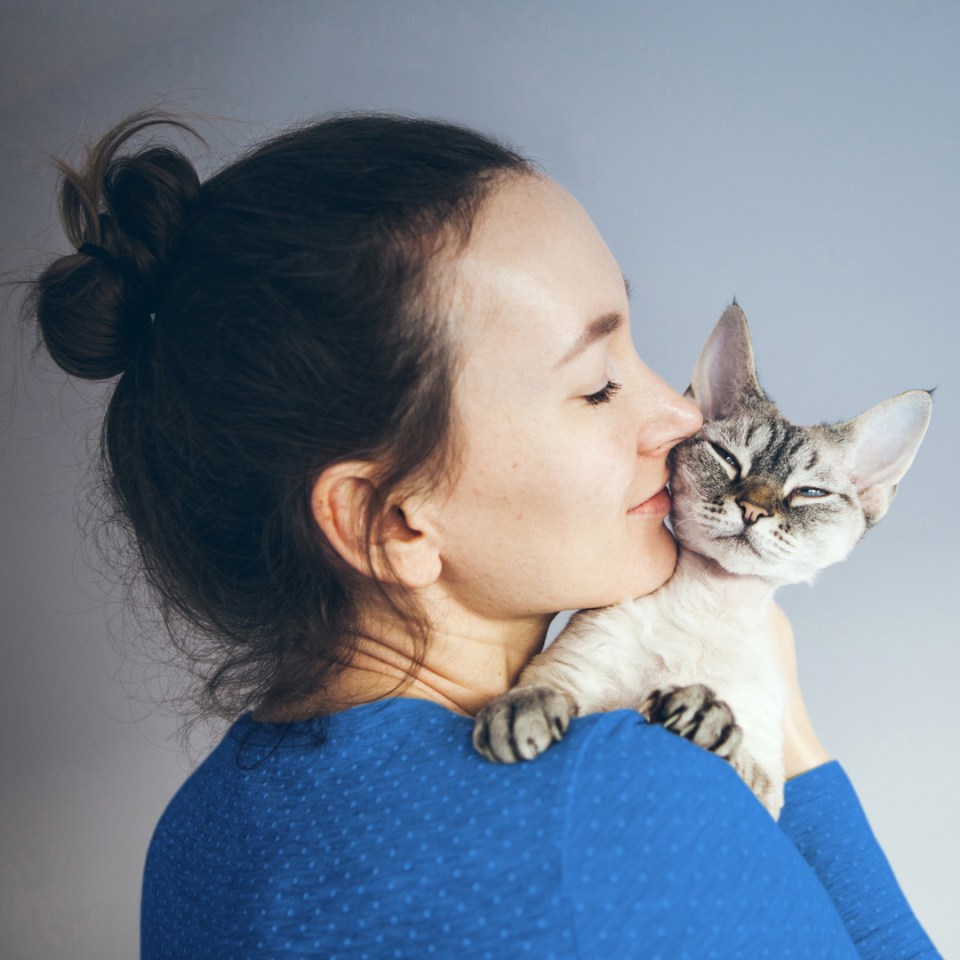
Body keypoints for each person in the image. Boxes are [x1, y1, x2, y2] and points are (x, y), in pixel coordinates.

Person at [30, 111, 939, 958]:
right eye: (595, 384)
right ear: (391, 521)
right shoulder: (630, 804)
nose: (678, 414)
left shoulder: (193, 842)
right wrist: (795, 746)